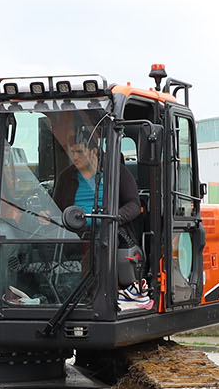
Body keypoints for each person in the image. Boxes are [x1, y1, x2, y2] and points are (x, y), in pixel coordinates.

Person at [52, 123, 154, 311]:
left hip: (109, 233)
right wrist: (46, 214)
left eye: (80, 152)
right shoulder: (66, 178)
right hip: (73, 233)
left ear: (94, 152)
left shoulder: (117, 173)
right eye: (72, 152)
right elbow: (55, 208)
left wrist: (113, 218)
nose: (75, 157)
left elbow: (134, 204)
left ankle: (91, 299)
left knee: (98, 245)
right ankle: (46, 297)